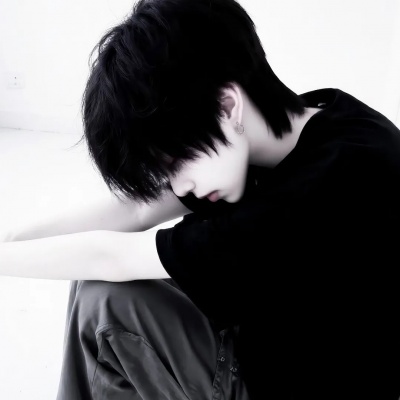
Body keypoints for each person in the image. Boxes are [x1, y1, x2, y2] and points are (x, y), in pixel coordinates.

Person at [1, 0, 400, 398]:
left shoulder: (331, 185)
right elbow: (137, 209)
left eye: (178, 162)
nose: (179, 187)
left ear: (227, 106)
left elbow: (114, 256)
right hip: (268, 330)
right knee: (93, 278)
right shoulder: (309, 120)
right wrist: (11, 239)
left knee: (106, 300)